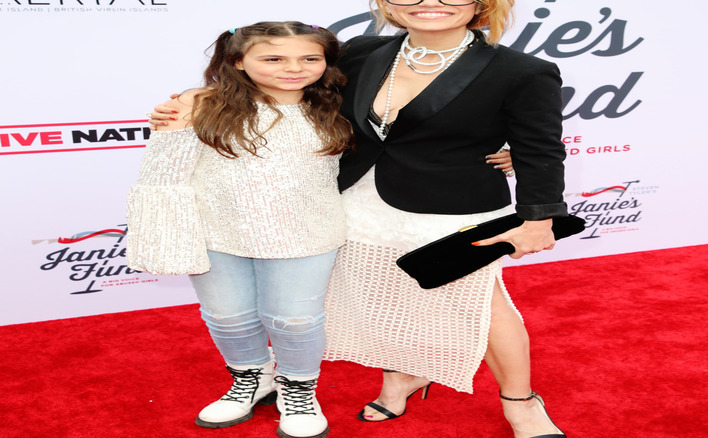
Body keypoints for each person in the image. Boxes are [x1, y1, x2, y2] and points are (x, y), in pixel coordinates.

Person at [150, 1, 566, 436]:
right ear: (387, 4)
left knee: (480, 305)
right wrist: (199, 96)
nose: (430, 4)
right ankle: (403, 375)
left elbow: (542, 148)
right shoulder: (362, 51)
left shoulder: (521, 71)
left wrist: (539, 217)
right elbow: (283, 81)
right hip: (356, 199)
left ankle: (522, 403)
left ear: (480, 3)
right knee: (383, 296)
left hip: (453, 204)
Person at [126, 21, 354, 438]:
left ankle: (299, 388)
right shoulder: (200, 104)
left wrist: (505, 151)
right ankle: (252, 378)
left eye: (309, 58)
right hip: (216, 233)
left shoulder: (340, 103)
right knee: (227, 317)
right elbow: (162, 174)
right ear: (238, 61)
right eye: (273, 58)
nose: (293, 68)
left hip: (308, 232)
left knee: (296, 320)